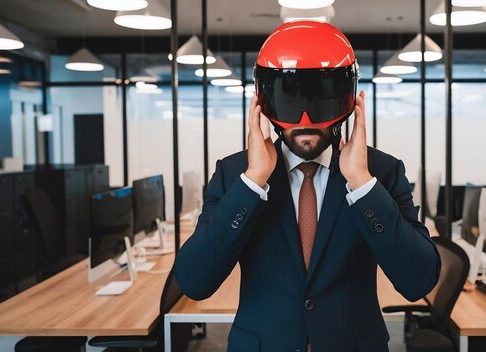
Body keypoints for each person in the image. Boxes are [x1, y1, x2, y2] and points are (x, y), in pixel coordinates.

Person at [175, 21, 441, 352]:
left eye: (320, 99)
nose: (304, 121)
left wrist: (361, 183)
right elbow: (194, 281)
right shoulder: (235, 175)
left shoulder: (381, 174)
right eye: (289, 99)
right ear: (264, 99)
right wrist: (253, 182)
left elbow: (419, 281)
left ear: (347, 100)